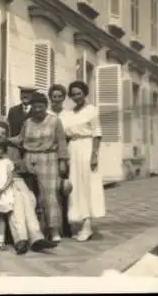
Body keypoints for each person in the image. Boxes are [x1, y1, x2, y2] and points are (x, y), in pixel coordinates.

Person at [0, 121, 58, 254]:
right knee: (17, 201)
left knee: (27, 199)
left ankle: (29, 239)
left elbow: (25, 168)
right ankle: (28, 239)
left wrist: (19, 165)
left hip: (16, 179)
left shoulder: (13, 150)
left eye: (3, 133)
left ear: (7, 135)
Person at [9, 92, 69, 243]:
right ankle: (35, 231)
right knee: (30, 196)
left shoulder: (55, 121)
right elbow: (20, 140)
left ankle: (54, 230)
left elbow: (61, 142)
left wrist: (63, 161)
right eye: (35, 107)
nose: (37, 110)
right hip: (29, 158)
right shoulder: (28, 122)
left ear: (46, 106)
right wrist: (4, 139)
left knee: (50, 194)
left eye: (41, 107)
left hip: (48, 158)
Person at [62, 80, 106, 242]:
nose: (76, 97)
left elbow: (97, 133)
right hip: (72, 149)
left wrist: (94, 155)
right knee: (75, 187)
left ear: (85, 93)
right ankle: (78, 224)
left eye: (78, 93)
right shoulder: (69, 113)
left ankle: (87, 226)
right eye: (73, 94)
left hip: (87, 147)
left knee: (88, 186)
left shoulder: (91, 110)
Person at [48, 83, 73, 238]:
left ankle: (66, 224)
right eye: (54, 97)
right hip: (50, 155)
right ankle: (52, 225)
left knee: (64, 189)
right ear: (50, 98)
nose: (56, 100)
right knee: (52, 191)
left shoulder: (68, 114)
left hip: (65, 153)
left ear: (64, 98)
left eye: (59, 97)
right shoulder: (46, 113)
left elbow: (70, 133)